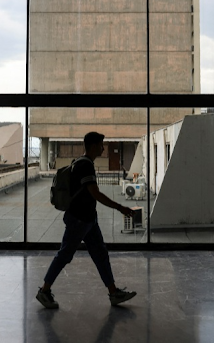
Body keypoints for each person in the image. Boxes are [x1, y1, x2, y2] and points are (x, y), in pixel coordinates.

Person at [37, 132, 137, 309]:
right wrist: (120, 207)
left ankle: (113, 293)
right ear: (92, 146)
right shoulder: (85, 166)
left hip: (88, 219)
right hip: (79, 220)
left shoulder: (81, 162)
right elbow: (95, 193)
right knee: (65, 255)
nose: (103, 148)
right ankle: (44, 291)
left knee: (100, 254)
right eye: (100, 145)